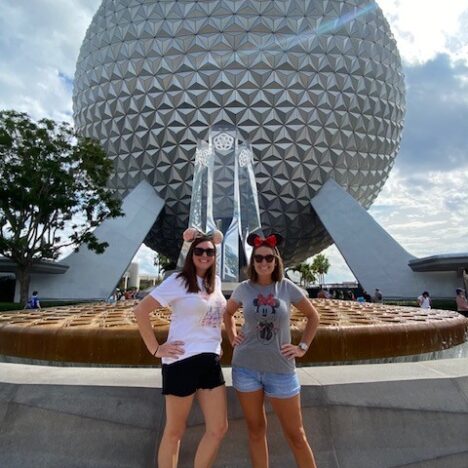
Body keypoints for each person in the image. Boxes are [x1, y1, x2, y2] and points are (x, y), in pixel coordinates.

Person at [133, 228, 228, 468]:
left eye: (209, 251)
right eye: (199, 251)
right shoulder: (178, 281)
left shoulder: (215, 282)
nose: (204, 255)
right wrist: (156, 349)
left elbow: (218, 315)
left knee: (218, 428)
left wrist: (218, 343)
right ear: (191, 254)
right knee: (174, 432)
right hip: (181, 361)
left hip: (210, 362)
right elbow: (140, 311)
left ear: (215, 255)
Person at [224, 233, 320, 468]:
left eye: (268, 257)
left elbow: (313, 316)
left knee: (296, 435)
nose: (263, 262)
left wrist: (302, 347)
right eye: (258, 258)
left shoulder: (286, 287)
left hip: (281, 370)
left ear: (276, 260)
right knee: (256, 431)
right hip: (246, 368)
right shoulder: (244, 289)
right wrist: (232, 336)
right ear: (252, 262)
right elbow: (227, 313)